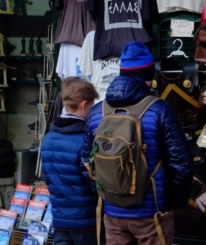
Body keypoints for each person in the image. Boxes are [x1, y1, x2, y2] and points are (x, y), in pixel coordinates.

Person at [81, 41, 193, 245]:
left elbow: (86, 163)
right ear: (149, 77)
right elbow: (181, 164)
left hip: (112, 214)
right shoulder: (160, 109)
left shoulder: (97, 112)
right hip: (152, 214)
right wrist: (173, 202)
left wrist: (108, 192)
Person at [41, 77, 99, 245]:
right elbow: (93, 182)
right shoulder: (86, 141)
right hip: (86, 222)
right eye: (92, 105)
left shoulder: (48, 139)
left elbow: (50, 178)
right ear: (83, 104)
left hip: (60, 220)